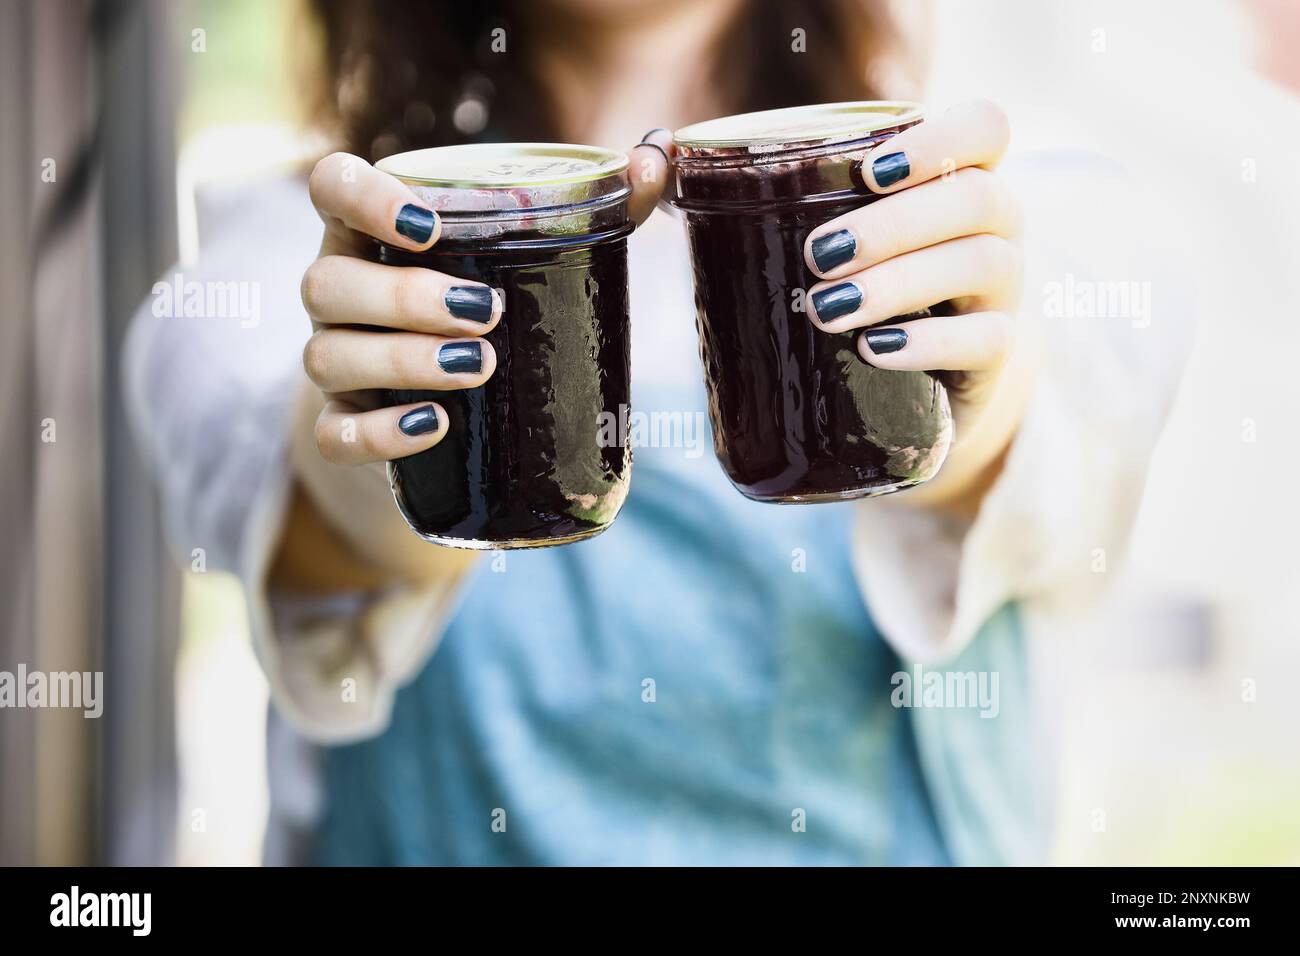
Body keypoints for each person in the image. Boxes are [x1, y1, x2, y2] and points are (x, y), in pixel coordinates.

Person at [125, 0, 1190, 864]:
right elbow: (298, 515)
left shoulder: (1005, 220)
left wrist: (976, 390)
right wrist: (388, 433)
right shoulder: (290, 260)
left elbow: (1063, 462)